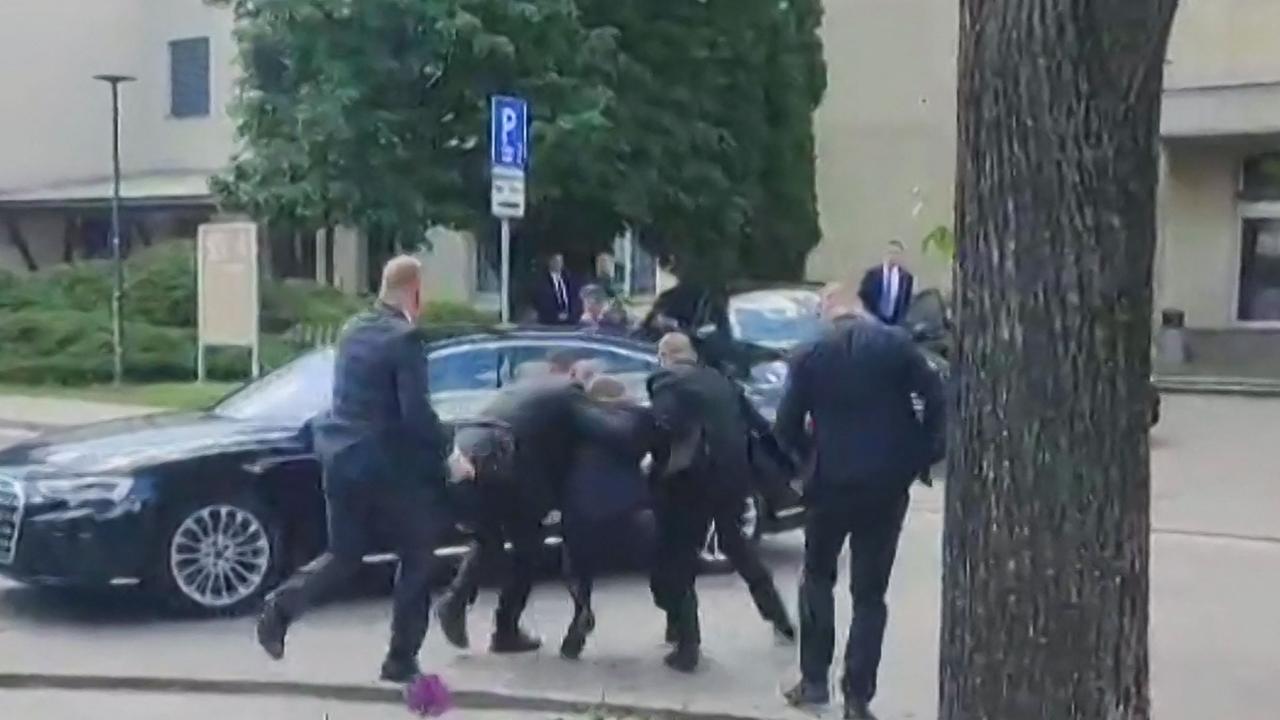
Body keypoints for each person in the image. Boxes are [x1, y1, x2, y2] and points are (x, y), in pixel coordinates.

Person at [255, 256, 473, 683]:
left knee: (344, 553)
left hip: (340, 458)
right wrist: (451, 455)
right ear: (415, 290)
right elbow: (414, 415)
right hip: (388, 466)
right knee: (417, 557)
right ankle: (400, 659)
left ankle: (280, 608)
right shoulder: (406, 338)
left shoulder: (352, 328)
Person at [775, 283, 944, 720]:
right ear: (861, 310)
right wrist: (923, 453)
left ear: (828, 311)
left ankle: (814, 680)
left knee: (817, 578)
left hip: (829, 483)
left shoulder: (810, 354)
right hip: (886, 485)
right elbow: (935, 395)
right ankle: (858, 696)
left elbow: (787, 425)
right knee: (870, 594)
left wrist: (804, 464)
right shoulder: (896, 346)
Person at [646, 332, 794, 673]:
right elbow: (757, 425)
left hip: (689, 483)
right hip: (732, 478)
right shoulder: (720, 380)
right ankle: (780, 619)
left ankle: (687, 646)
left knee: (678, 557)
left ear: (665, 355)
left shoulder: (666, 382)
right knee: (736, 545)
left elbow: (664, 426)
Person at [434, 351, 589, 653]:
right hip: (503, 462)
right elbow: (585, 437)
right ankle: (504, 628)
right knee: (528, 549)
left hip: (466, 453)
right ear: (571, 373)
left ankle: (455, 602)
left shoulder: (522, 386)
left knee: (488, 539)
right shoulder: (570, 393)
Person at [558, 374, 658, 660]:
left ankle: (581, 609)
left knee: (578, 567)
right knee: (661, 566)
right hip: (631, 506)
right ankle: (678, 625)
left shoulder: (578, 423)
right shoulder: (640, 419)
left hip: (583, 506)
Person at [858, 240, 915, 325]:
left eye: (896, 253)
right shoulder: (872, 274)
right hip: (873, 321)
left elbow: (906, 302)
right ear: (884, 254)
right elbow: (863, 296)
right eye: (890, 252)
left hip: (894, 323)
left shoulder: (906, 278)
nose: (892, 256)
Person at [532, 252, 581, 325]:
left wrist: (571, 315)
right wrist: (556, 315)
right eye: (556, 261)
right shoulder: (541, 282)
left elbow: (576, 298)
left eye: (560, 261)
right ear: (549, 262)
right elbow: (540, 302)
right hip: (549, 323)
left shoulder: (570, 280)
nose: (558, 263)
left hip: (571, 322)